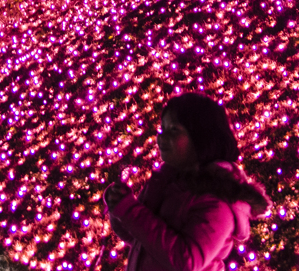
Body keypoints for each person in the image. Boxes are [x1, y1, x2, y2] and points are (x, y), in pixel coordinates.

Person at [104, 93, 270, 271]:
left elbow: (187, 261)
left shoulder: (218, 200)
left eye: (174, 130)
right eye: (162, 129)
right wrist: (119, 208)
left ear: (201, 137)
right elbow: (141, 240)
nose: (161, 138)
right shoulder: (166, 182)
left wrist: (129, 211)